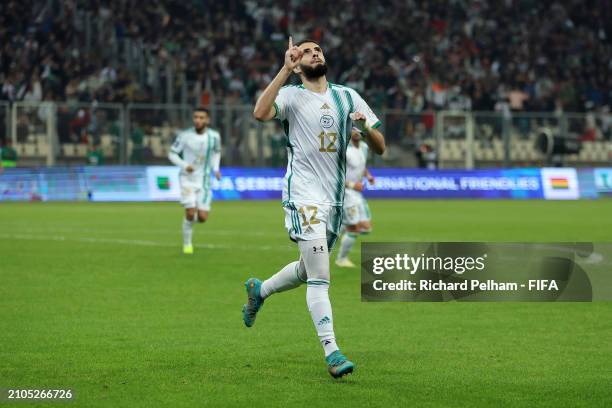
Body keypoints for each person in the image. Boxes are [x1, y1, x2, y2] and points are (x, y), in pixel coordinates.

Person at [243, 37, 385, 378]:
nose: (314, 52)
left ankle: (259, 290)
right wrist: (284, 70)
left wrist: (365, 127)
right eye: (306, 50)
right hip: (303, 194)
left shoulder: (347, 96)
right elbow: (260, 113)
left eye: (317, 49)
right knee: (321, 276)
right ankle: (332, 352)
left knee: (308, 270)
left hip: (334, 199)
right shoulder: (291, 95)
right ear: (298, 60)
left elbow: (381, 147)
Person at [168, 107, 221, 254]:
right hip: (187, 179)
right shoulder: (185, 136)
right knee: (191, 213)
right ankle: (187, 244)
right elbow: (172, 154)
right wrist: (185, 165)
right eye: (196, 117)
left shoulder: (214, 137)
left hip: (204, 180)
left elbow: (216, 153)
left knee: (202, 217)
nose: (198, 120)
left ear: (207, 120)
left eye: (201, 117)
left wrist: (216, 169)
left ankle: (188, 222)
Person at [335, 128, 375, 268]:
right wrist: (352, 184)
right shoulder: (344, 150)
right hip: (347, 192)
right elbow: (334, 174)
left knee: (366, 227)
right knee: (354, 228)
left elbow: (361, 166)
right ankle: (341, 259)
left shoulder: (364, 147)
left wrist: (368, 175)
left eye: (359, 129)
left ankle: (338, 228)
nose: (357, 131)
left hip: (357, 194)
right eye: (353, 129)